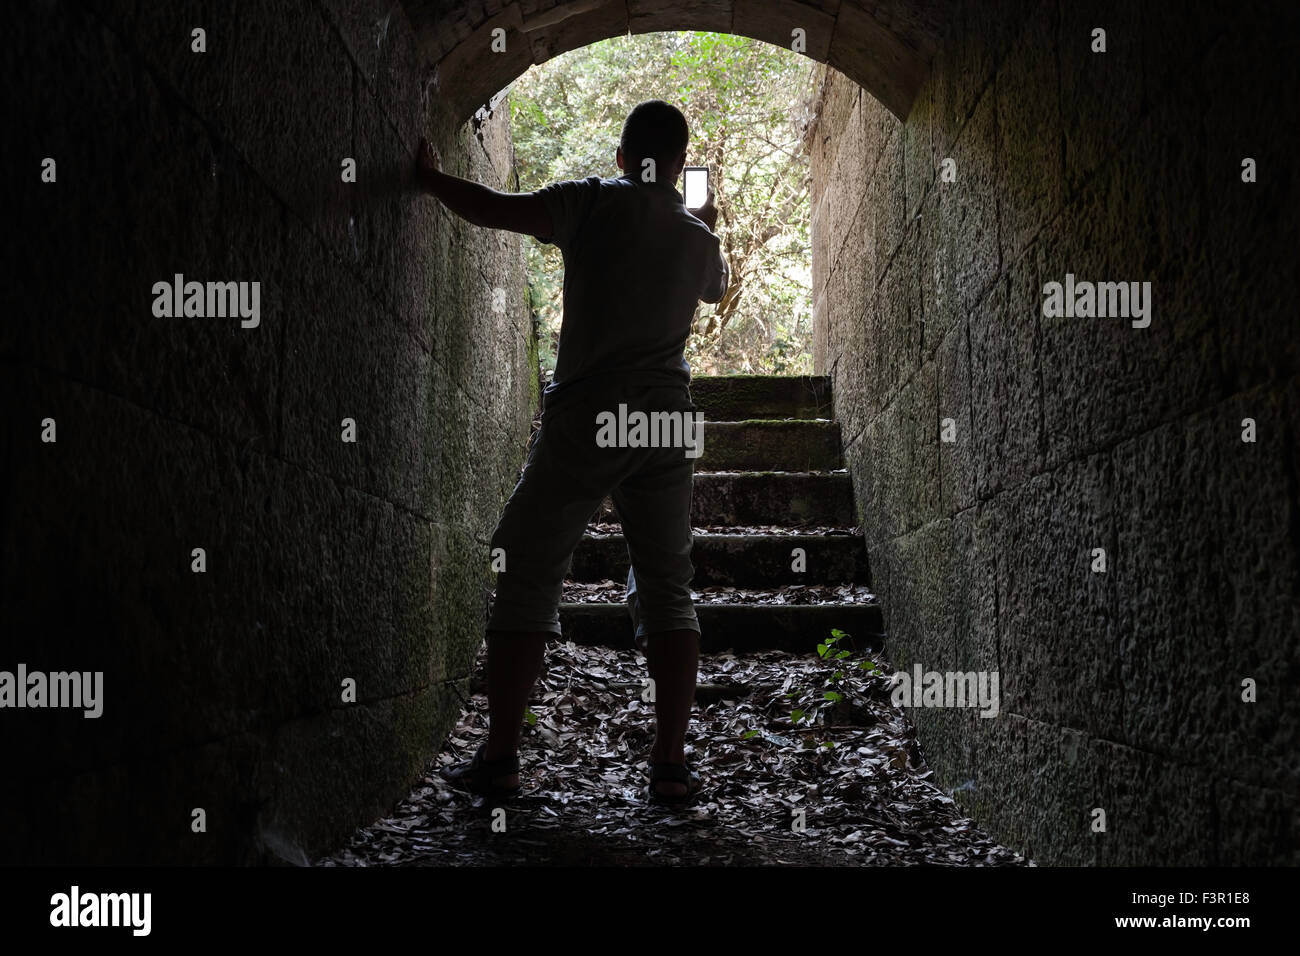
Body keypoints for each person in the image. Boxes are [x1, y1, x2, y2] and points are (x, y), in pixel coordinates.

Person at [416, 99, 729, 805]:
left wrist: (429, 179)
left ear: (621, 159)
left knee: (527, 568)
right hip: (667, 422)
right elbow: (718, 288)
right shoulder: (696, 236)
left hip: (591, 409)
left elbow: (492, 207)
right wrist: (704, 228)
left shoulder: (590, 204)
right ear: (680, 167)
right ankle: (671, 766)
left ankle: (499, 760)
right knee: (667, 587)